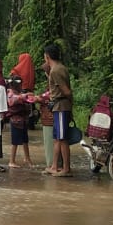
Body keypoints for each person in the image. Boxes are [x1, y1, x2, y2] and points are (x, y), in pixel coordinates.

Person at [43, 44, 74, 177]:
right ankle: (54, 166)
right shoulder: (59, 69)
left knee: (62, 139)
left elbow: (66, 91)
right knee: (57, 138)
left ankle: (66, 168)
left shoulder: (56, 71)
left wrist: (69, 103)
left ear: (47, 56)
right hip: (58, 107)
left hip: (61, 107)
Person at [9, 52, 39, 168]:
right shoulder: (31, 70)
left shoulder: (16, 70)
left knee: (24, 138)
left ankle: (27, 158)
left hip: (22, 115)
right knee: (16, 141)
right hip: (20, 113)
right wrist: (25, 95)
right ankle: (13, 160)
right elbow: (12, 98)